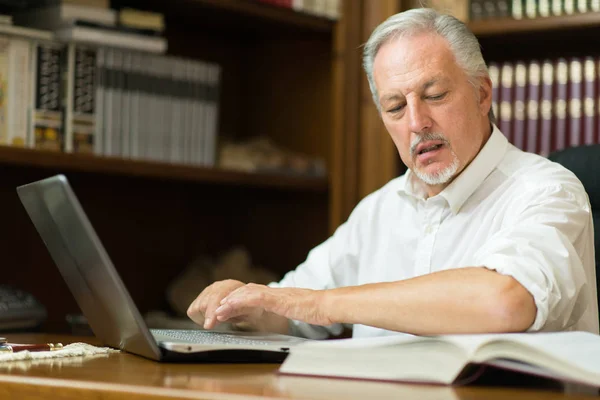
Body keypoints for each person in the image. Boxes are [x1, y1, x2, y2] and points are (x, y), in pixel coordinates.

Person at [187, 8, 599, 339]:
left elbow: (506, 300)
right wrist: (242, 304)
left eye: (434, 95)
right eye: (395, 107)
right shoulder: (379, 209)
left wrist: (322, 304)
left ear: (482, 93)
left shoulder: (547, 190)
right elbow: (290, 312)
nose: (417, 121)